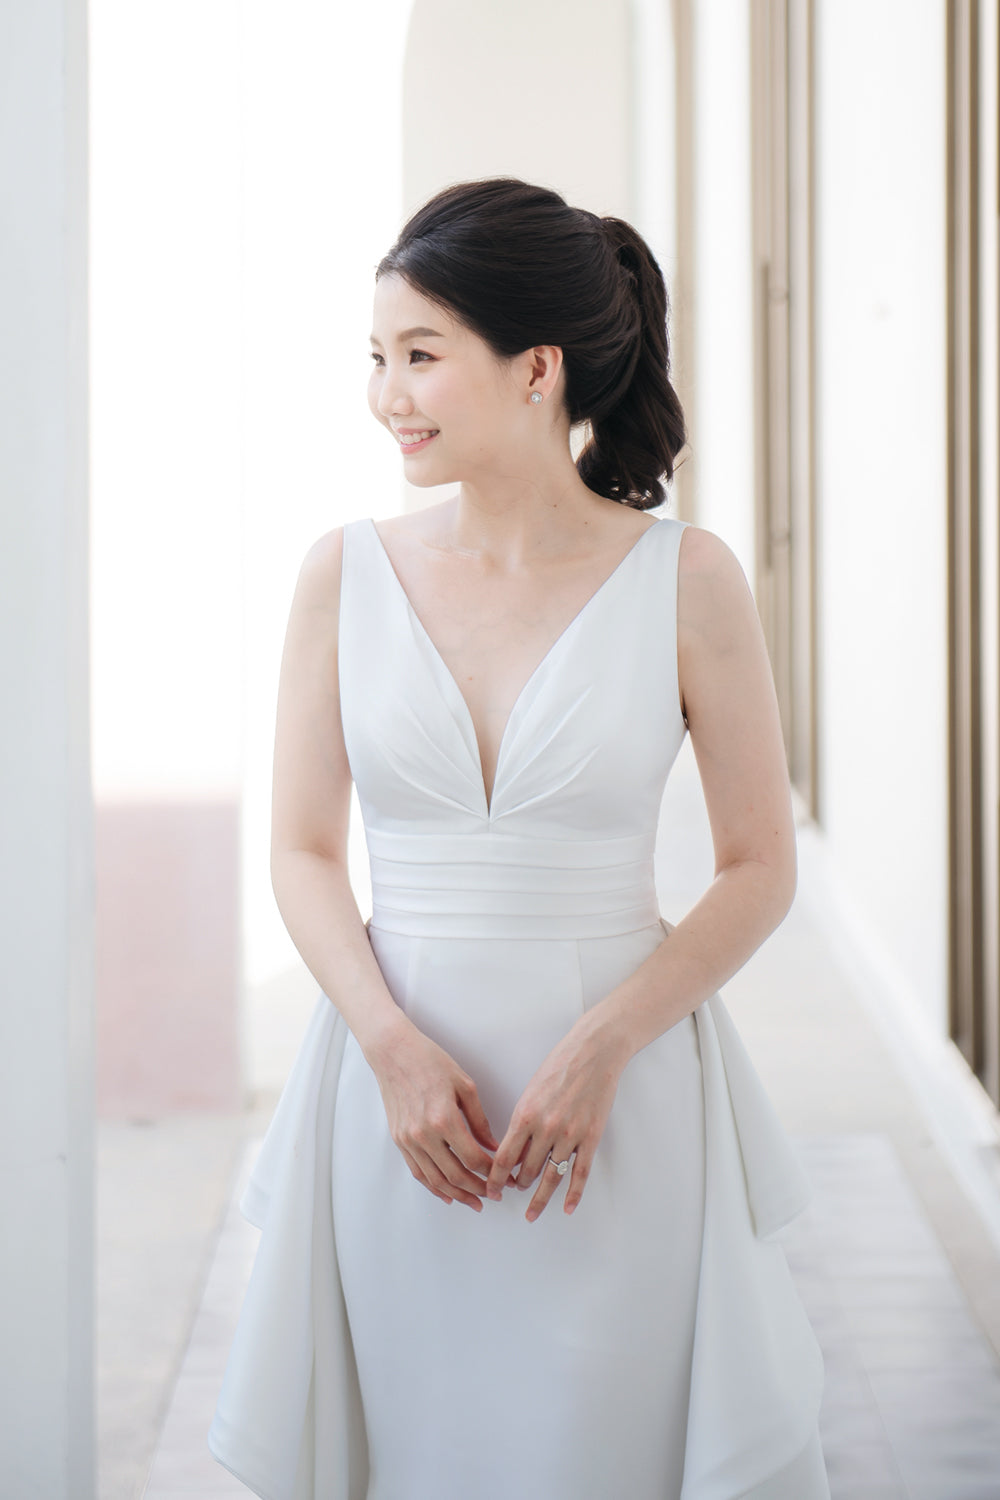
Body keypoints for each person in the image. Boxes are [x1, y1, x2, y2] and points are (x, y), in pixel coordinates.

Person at [209, 176, 831, 1500]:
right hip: (395, 1103)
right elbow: (304, 850)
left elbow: (758, 868)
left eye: (422, 356)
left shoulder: (690, 579)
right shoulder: (343, 573)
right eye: (377, 359)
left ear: (537, 367)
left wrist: (607, 1044)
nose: (389, 395)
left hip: (620, 1108)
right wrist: (387, 1046)